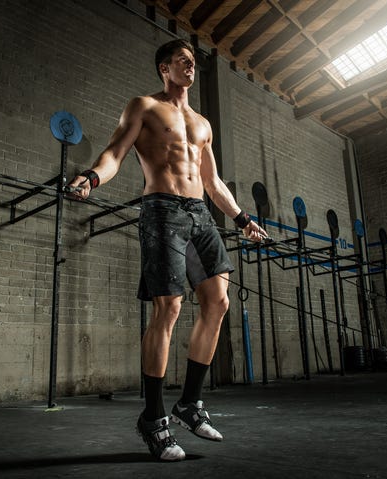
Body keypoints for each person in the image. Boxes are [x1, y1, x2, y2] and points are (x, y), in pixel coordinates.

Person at [67, 39, 267, 461]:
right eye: (183, 61)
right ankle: (154, 417)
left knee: (218, 300)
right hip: (161, 210)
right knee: (169, 308)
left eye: (194, 62)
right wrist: (91, 177)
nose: (191, 66)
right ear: (164, 68)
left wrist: (242, 219)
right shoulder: (143, 106)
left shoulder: (203, 123)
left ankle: (189, 403)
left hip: (200, 213)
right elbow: (115, 152)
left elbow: (213, 183)